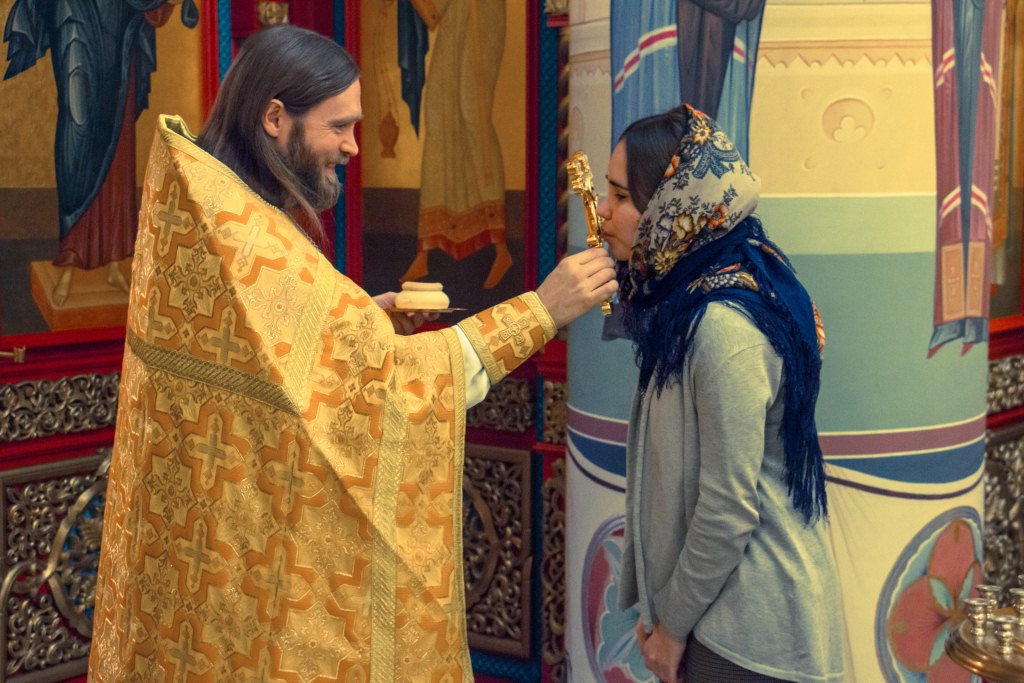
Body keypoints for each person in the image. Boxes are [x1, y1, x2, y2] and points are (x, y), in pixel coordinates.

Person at [88, 24, 616, 681]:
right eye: (339, 126)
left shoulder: (210, 214)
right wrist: (541, 310)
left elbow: (281, 360)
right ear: (275, 118)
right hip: (246, 580)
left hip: (210, 583)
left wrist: (362, 320)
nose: (353, 146)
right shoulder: (250, 240)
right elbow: (392, 391)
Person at [598, 104, 844, 683]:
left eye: (621, 197)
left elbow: (727, 509)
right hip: (721, 614)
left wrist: (673, 627)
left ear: (672, 207)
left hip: (751, 632)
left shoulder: (721, 325)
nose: (603, 212)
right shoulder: (684, 302)